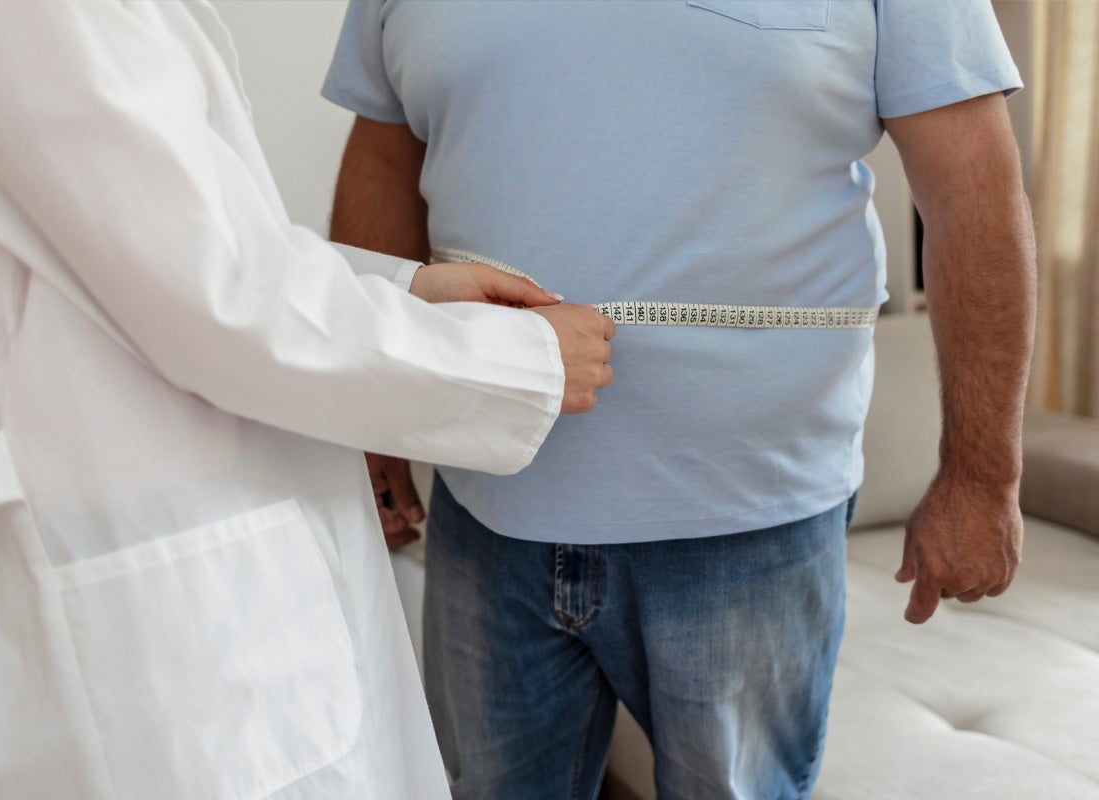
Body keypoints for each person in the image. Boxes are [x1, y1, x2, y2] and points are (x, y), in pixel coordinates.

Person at [0, 3, 616, 798]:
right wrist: (511, 360)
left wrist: (404, 292)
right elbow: (215, 294)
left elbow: (178, 247)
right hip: (122, 609)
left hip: (153, 537)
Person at [323, 1, 1036, 797]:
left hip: (749, 523)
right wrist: (370, 416)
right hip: (483, 503)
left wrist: (982, 476)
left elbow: (972, 187)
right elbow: (383, 156)